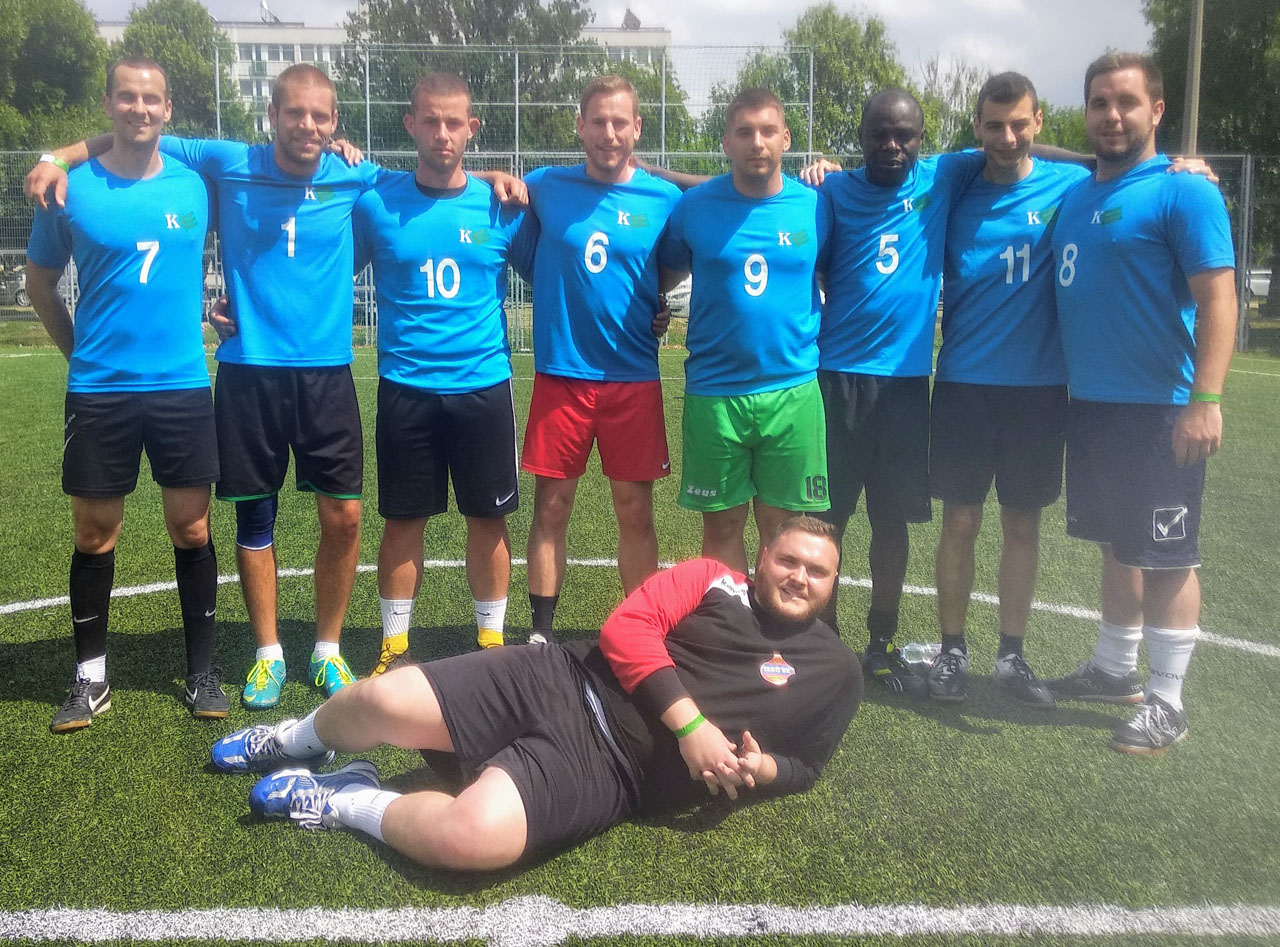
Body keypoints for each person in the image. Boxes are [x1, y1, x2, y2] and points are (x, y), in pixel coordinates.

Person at [27, 65, 525, 709]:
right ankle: (267, 654)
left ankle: (327, 649)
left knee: (344, 517)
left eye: (320, 115)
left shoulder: (354, 176)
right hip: (249, 370)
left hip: (326, 374)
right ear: (273, 116)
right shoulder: (228, 161)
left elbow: (434, 176)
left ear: (335, 121)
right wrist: (56, 156)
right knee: (254, 516)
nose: (307, 126)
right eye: (295, 113)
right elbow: (133, 135)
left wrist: (492, 175)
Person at [210, 516, 861, 869]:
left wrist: (761, 768)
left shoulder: (836, 671)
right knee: (384, 699)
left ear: (835, 582)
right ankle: (294, 738)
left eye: (817, 570)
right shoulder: (712, 579)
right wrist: (692, 727)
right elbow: (627, 629)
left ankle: (343, 796)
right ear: (762, 558)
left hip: (613, 773)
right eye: (788, 560)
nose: (799, 577)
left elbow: (807, 764)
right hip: (564, 678)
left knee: (470, 838)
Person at [25, 58, 225, 730]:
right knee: (94, 533)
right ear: (108, 102)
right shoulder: (70, 188)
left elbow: (272, 177)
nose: (140, 108)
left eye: (152, 99)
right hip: (100, 390)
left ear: (169, 109)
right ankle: (91, 679)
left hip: (181, 387)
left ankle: (201, 672)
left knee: (191, 527)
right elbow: (39, 285)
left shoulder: (196, 183)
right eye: (128, 97)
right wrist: (79, 352)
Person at [1047, 53, 1236, 754]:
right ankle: (1113, 668)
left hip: (1161, 409)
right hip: (1092, 404)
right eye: (1099, 103)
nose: (1112, 115)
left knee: (1166, 554)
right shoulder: (1076, 193)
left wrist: (1205, 398)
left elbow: (1220, 298)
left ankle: (1167, 700)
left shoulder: (1185, 193)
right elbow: (1029, 146)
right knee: (1118, 543)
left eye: (1126, 102)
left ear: (1157, 109)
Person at [810, 90, 984, 695]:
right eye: (879, 134)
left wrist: (1123, 161)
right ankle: (823, 640)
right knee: (826, 520)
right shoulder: (832, 190)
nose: (892, 145)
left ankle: (881, 642)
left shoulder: (944, 175)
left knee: (892, 522)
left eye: (904, 135)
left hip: (906, 389)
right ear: (860, 137)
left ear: (921, 139)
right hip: (837, 381)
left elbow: (1013, 142)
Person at [354, 73, 530, 668]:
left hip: (483, 386)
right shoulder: (376, 204)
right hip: (406, 388)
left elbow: (558, 275)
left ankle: (490, 644)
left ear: (472, 128)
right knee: (403, 521)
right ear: (410, 124)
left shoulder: (501, 206)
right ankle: (394, 647)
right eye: (430, 120)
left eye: (454, 122)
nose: (442, 133)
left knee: (489, 518)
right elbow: (326, 272)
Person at [926, 73, 1091, 705]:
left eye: (1019, 123)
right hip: (964, 383)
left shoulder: (1068, 185)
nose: (1008, 136)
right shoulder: (955, 188)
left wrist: (1182, 165)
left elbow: (1123, 167)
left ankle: (1011, 656)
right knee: (960, 520)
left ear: (1039, 121)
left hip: (1040, 390)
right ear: (977, 128)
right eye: (994, 125)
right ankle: (952, 650)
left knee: (1023, 523)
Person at [518, 75, 682, 642]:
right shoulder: (546, 185)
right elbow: (494, 190)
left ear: (637, 128)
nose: (608, 133)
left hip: (631, 377)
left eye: (619, 122)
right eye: (598, 122)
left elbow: (671, 262)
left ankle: (642, 632)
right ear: (580, 126)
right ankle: (541, 634)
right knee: (552, 506)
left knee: (635, 510)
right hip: (562, 374)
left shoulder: (664, 200)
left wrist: (654, 299)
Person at [658, 88, 832, 575]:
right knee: (721, 530)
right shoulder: (694, 207)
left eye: (768, 131)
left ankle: (772, 623)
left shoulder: (816, 206)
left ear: (786, 139)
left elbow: (835, 273)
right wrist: (653, 310)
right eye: (745, 132)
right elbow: (664, 276)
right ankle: (731, 622)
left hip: (792, 390)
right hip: (716, 393)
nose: (757, 142)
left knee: (784, 532)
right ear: (726, 143)